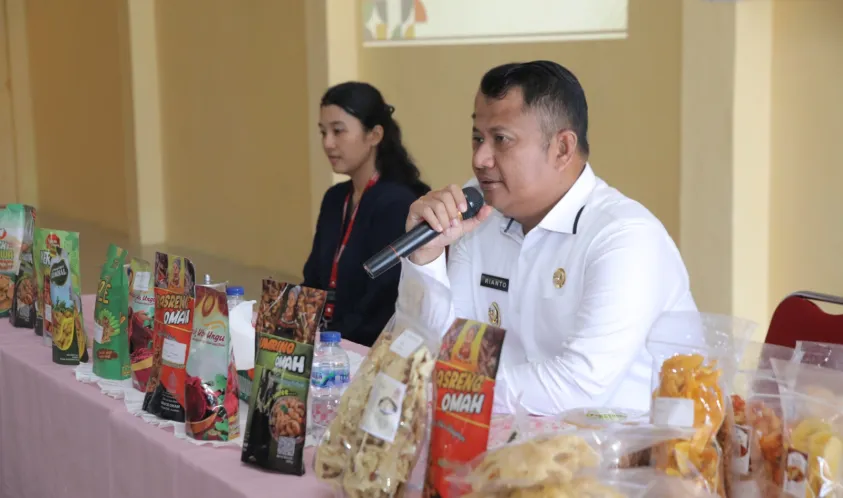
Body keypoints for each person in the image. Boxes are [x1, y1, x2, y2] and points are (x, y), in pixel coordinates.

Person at [396, 61, 697, 415]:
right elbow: (433, 347)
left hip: (628, 444)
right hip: (510, 436)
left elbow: (577, 389)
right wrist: (427, 257)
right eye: (477, 138)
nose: (480, 158)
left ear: (562, 149)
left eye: (501, 140)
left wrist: (448, 385)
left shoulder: (624, 237)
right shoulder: (481, 213)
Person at [304, 81, 430, 347]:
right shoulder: (335, 198)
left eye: (338, 131)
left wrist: (330, 341)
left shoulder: (397, 203)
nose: (328, 143)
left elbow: (382, 302)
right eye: (323, 132)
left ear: (374, 135)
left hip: (367, 349)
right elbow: (313, 281)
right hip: (326, 344)